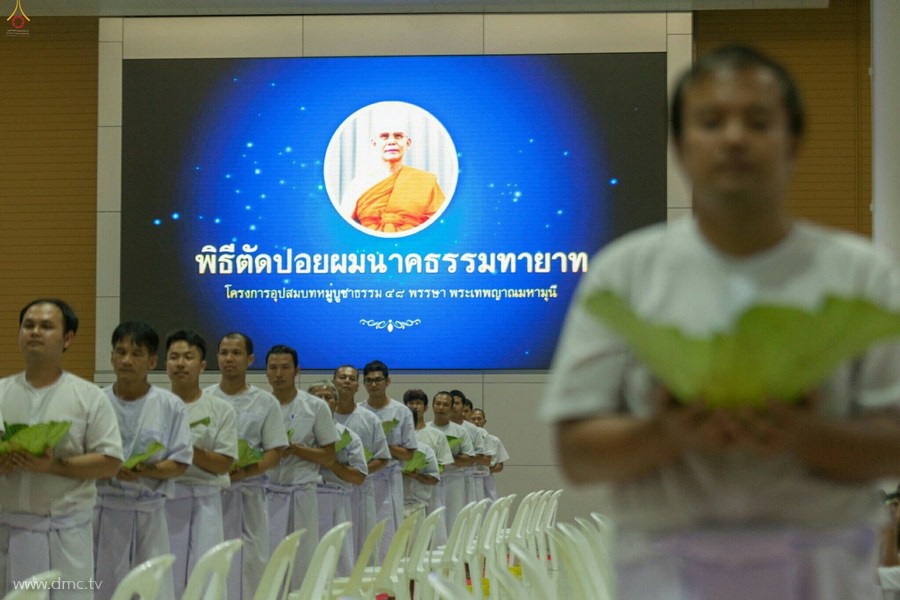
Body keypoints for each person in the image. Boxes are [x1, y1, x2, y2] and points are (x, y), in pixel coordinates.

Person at [540, 45, 900, 599]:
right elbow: (578, 453)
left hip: (822, 568)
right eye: (711, 122)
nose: (734, 138)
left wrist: (803, 436)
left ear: (794, 143)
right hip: (667, 572)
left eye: (758, 122)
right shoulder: (625, 274)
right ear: (681, 147)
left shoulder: (861, 274)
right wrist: (667, 433)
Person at [0, 299, 123, 600]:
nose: (35, 332)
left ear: (68, 338)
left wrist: (53, 466)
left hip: (65, 533)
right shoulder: (2, 392)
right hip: (10, 529)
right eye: (28, 325)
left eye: (46, 326)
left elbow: (110, 462)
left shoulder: (89, 397)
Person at [94, 322, 193, 600]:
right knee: (103, 588)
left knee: (152, 590)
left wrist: (145, 471)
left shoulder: (169, 405)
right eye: (120, 352)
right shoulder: (95, 401)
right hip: (104, 511)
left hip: (150, 512)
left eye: (136, 353)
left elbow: (181, 461)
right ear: (111, 356)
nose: (126, 360)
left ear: (151, 361)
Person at [207, 333, 287, 600]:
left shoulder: (265, 402)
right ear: (217, 357)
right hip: (211, 496)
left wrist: (246, 471)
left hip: (250, 495)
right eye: (224, 352)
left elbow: (275, 452)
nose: (229, 358)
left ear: (250, 359)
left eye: (236, 353)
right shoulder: (204, 398)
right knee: (213, 563)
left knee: (251, 566)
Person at [164, 330, 238, 598]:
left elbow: (223, 464)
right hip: (164, 499)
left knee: (206, 574)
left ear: (203, 365)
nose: (180, 363)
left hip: (205, 501)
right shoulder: (156, 405)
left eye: (188, 357)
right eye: (174, 357)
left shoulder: (220, 409)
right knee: (165, 575)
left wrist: (188, 449)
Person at [264, 345, 339, 587]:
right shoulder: (260, 404)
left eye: (285, 367)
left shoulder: (315, 406)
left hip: (302, 491)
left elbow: (329, 456)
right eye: (273, 368)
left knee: (303, 559)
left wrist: (296, 449)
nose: (278, 374)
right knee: (267, 559)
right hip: (265, 492)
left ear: (297, 370)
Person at [343, 106, 445, 234]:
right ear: (374, 144)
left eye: (398, 136)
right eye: (384, 136)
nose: (391, 141)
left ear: (408, 143)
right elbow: (342, 230)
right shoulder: (358, 185)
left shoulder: (423, 181)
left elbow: (442, 228)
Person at [359, 360, 417, 559]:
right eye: (369, 381)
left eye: (378, 380)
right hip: (363, 478)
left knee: (388, 531)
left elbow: (409, 454)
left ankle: (388, 575)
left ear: (387, 381)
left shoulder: (401, 412)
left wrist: (385, 446)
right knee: (363, 530)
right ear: (363, 383)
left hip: (389, 479)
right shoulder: (359, 411)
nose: (373, 385)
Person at [309, 380, 367, 576]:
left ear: (336, 402)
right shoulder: (300, 434)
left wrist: (331, 463)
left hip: (338, 502)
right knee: (307, 559)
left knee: (338, 559)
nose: (324, 401)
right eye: (318, 397)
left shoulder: (348, 436)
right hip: (305, 499)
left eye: (328, 397)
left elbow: (359, 477)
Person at [331, 365, 391, 557]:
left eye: (351, 378)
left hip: (361, 490)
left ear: (358, 385)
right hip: (328, 491)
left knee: (361, 545)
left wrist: (355, 472)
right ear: (334, 382)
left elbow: (383, 458)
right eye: (342, 377)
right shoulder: (322, 418)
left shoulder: (369, 419)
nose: (346, 381)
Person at [403, 388, 454, 545]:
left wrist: (418, 471)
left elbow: (441, 466)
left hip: (429, 493)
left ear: (425, 407)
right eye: (411, 403)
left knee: (430, 538)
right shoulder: (398, 437)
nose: (415, 407)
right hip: (403, 492)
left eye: (418, 403)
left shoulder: (435, 435)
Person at [428, 391, 474, 532]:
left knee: (454, 517)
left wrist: (447, 456)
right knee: (433, 519)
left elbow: (469, 458)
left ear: (451, 408)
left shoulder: (460, 431)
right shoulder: (425, 429)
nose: (441, 407)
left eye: (445, 404)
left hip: (454, 480)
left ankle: (453, 552)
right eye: (438, 404)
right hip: (431, 480)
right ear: (432, 406)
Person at [449, 391, 488, 503]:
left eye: (457, 403)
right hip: (444, 476)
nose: (454, 406)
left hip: (468, 476)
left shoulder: (473, 430)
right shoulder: (439, 427)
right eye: (452, 403)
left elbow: (481, 456)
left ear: (463, 406)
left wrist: (464, 458)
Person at [470, 409, 509, 502]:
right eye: (473, 419)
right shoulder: (466, 439)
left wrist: (484, 470)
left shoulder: (494, 440)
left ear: (484, 421)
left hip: (487, 477)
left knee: (489, 505)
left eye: (479, 419)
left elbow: (500, 466)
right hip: (469, 477)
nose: (476, 422)